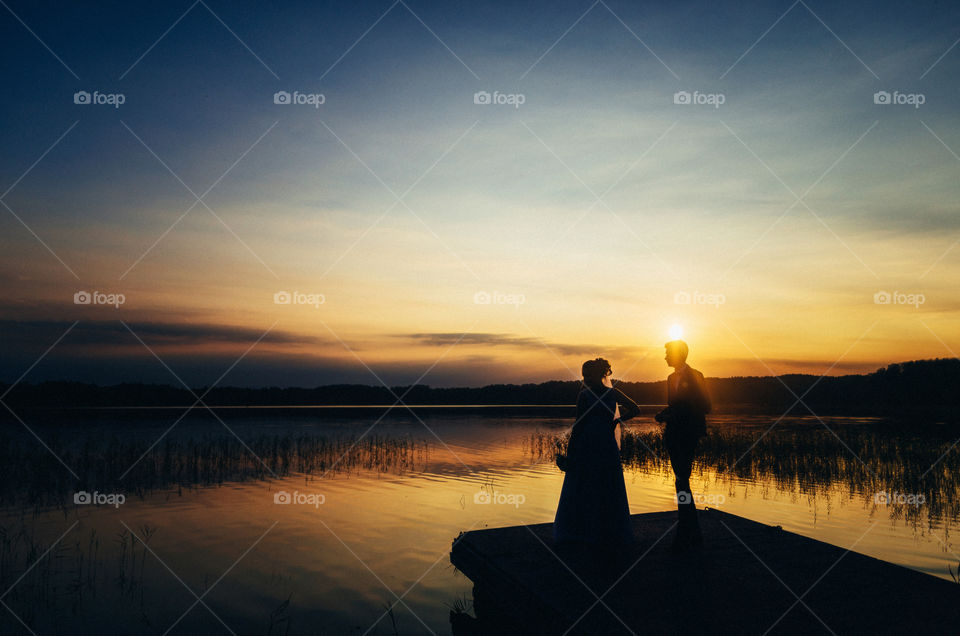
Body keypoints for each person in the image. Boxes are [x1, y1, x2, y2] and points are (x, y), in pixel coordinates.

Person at [554, 358, 641, 550]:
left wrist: (571, 453)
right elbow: (635, 409)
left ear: (596, 375)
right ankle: (608, 531)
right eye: (583, 375)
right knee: (606, 485)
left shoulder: (585, 395)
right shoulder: (613, 393)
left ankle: (586, 531)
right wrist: (616, 421)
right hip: (606, 444)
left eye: (587, 375)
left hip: (589, 444)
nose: (584, 378)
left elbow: (578, 426)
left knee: (589, 485)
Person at [656, 340, 711, 552]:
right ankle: (688, 528)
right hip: (673, 435)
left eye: (668, 353)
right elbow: (675, 405)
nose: (665, 357)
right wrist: (665, 414)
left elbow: (706, 406)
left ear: (679, 354)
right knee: (680, 482)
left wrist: (678, 414)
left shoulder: (697, 376)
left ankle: (688, 530)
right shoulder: (670, 378)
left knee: (682, 480)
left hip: (688, 434)